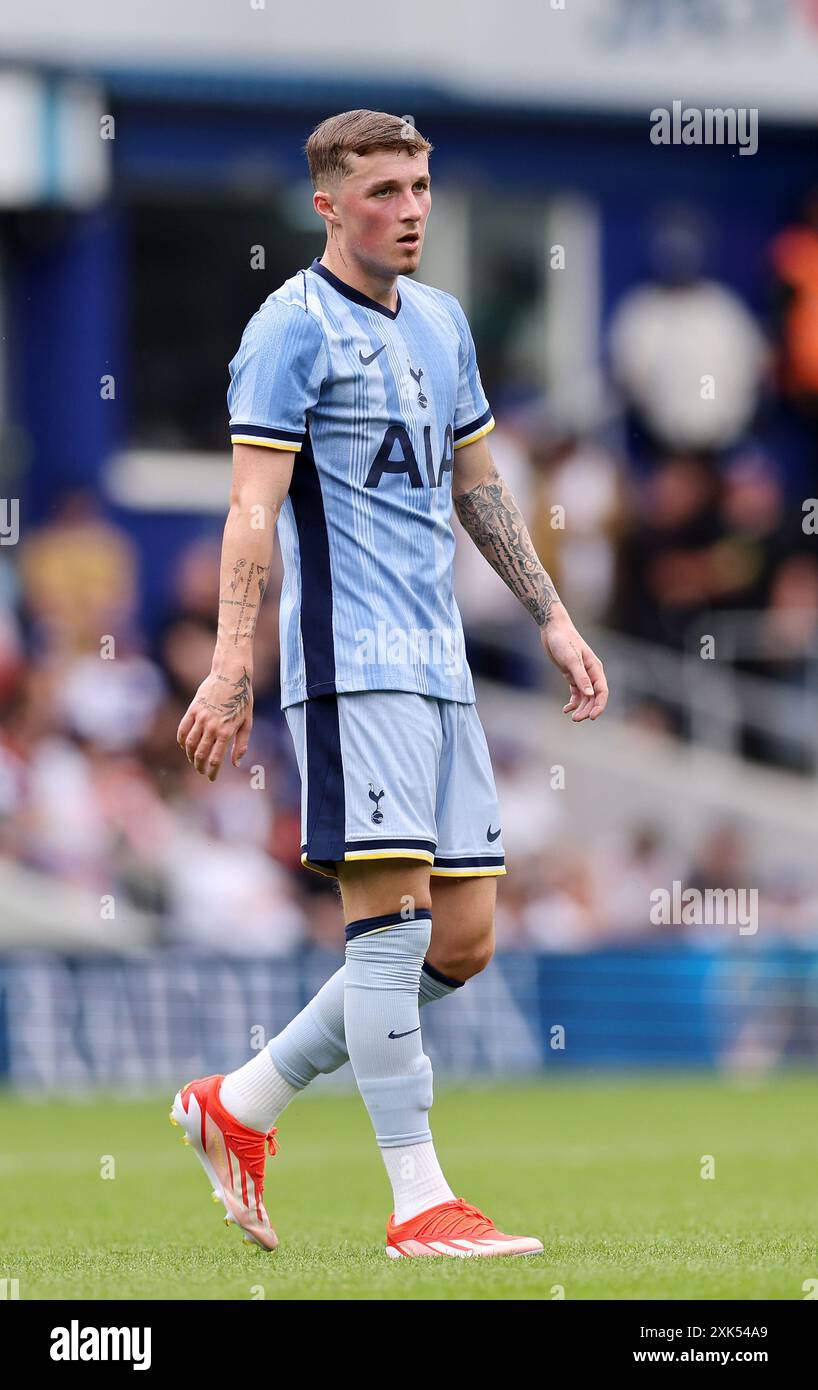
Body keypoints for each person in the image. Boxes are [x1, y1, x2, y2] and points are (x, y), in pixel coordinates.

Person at [171, 109, 607, 1259]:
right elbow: (250, 510)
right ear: (327, 204)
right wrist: (230, 664)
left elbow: (479, 487)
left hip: (441, 674)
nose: (410, 209)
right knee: (387, 922)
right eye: (384, 192)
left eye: (419, 186)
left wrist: (552, 618)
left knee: (459, 941)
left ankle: (243, 1101)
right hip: (352, 669)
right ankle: (418, 1201)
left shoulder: (445, 322)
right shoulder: (288, 329)